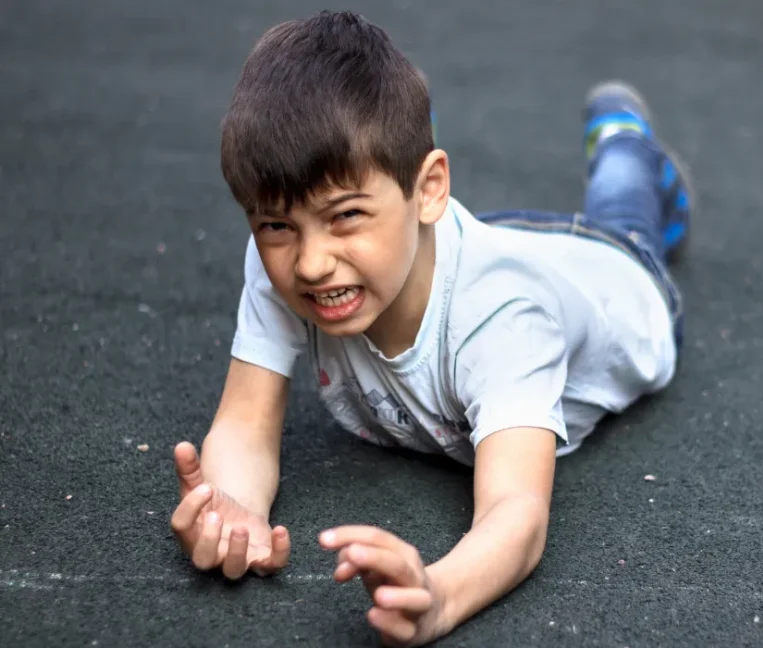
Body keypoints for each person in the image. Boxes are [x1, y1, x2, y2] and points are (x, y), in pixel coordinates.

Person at [168, 10, 693, 646]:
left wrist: (440, 595)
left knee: (624, 212)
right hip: (438, 248)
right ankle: (394, 144)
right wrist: (233, 509)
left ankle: (626, 145)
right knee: (368, 186)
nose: (309, 262)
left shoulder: (503, 320)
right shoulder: (292, 261)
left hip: (611, 277)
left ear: (431, 189)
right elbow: (245, 426)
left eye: (345, 215)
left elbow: (516, 511)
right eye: (277, 225)